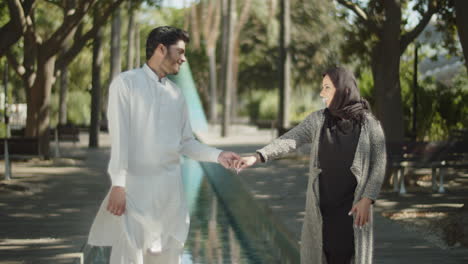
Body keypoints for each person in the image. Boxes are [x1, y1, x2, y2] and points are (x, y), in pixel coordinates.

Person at [87, 26, 240, 264]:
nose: (183, 57)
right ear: (160, 49)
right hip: (135, 194)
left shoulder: (176, 94)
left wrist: (218, 155)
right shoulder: (125, 84)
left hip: (171, 198)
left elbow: (186, 143)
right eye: (179, 51)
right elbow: (121, 139)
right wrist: (118, 184)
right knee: (129, 258)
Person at [236, 67, 386, 264]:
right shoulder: (318, 120)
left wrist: (368, 198)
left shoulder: (370, 125)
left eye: (327, 88)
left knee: (352, 256)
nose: (321, 93)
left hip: (354, 208)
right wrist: (258, 156)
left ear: (343, 90)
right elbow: (291, 139)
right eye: (322, 88)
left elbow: (379, 163)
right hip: (322, 210)